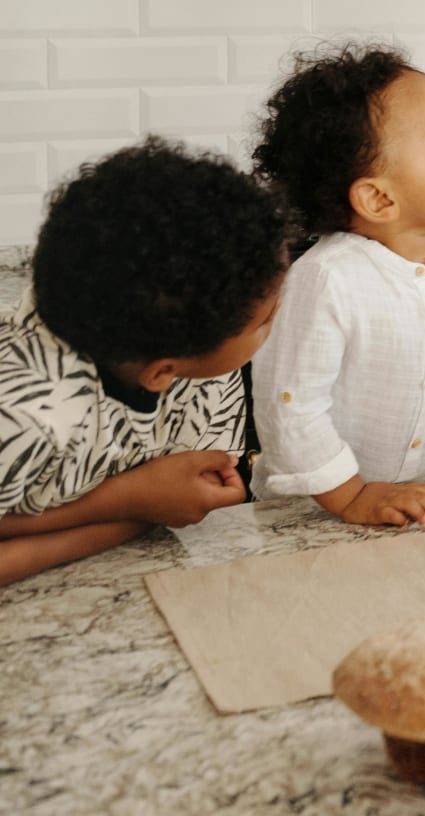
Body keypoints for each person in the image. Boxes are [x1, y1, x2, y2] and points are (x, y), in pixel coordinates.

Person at [250, 45, 425, 525]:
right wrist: (353, 497)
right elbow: (292, 412)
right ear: (379, 198)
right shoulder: (325, 281)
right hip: (315, 518)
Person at [0, 140, 290, 585]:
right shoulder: (29, 415)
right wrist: (129, 503)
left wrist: (152, 506)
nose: (280, 315)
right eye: (266, 318)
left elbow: (185, 498)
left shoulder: (201, 365)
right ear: (160, 373)